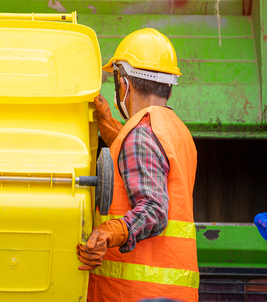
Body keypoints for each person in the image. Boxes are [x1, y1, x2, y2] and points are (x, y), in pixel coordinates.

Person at [77, 28, 198, 302]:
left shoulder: (142, 133)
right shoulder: (175, 130)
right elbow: (144, 162)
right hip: (170, 292)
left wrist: (110, 231)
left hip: (137, 294)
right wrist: (108, 126)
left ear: (125, 84)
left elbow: (154, 209)